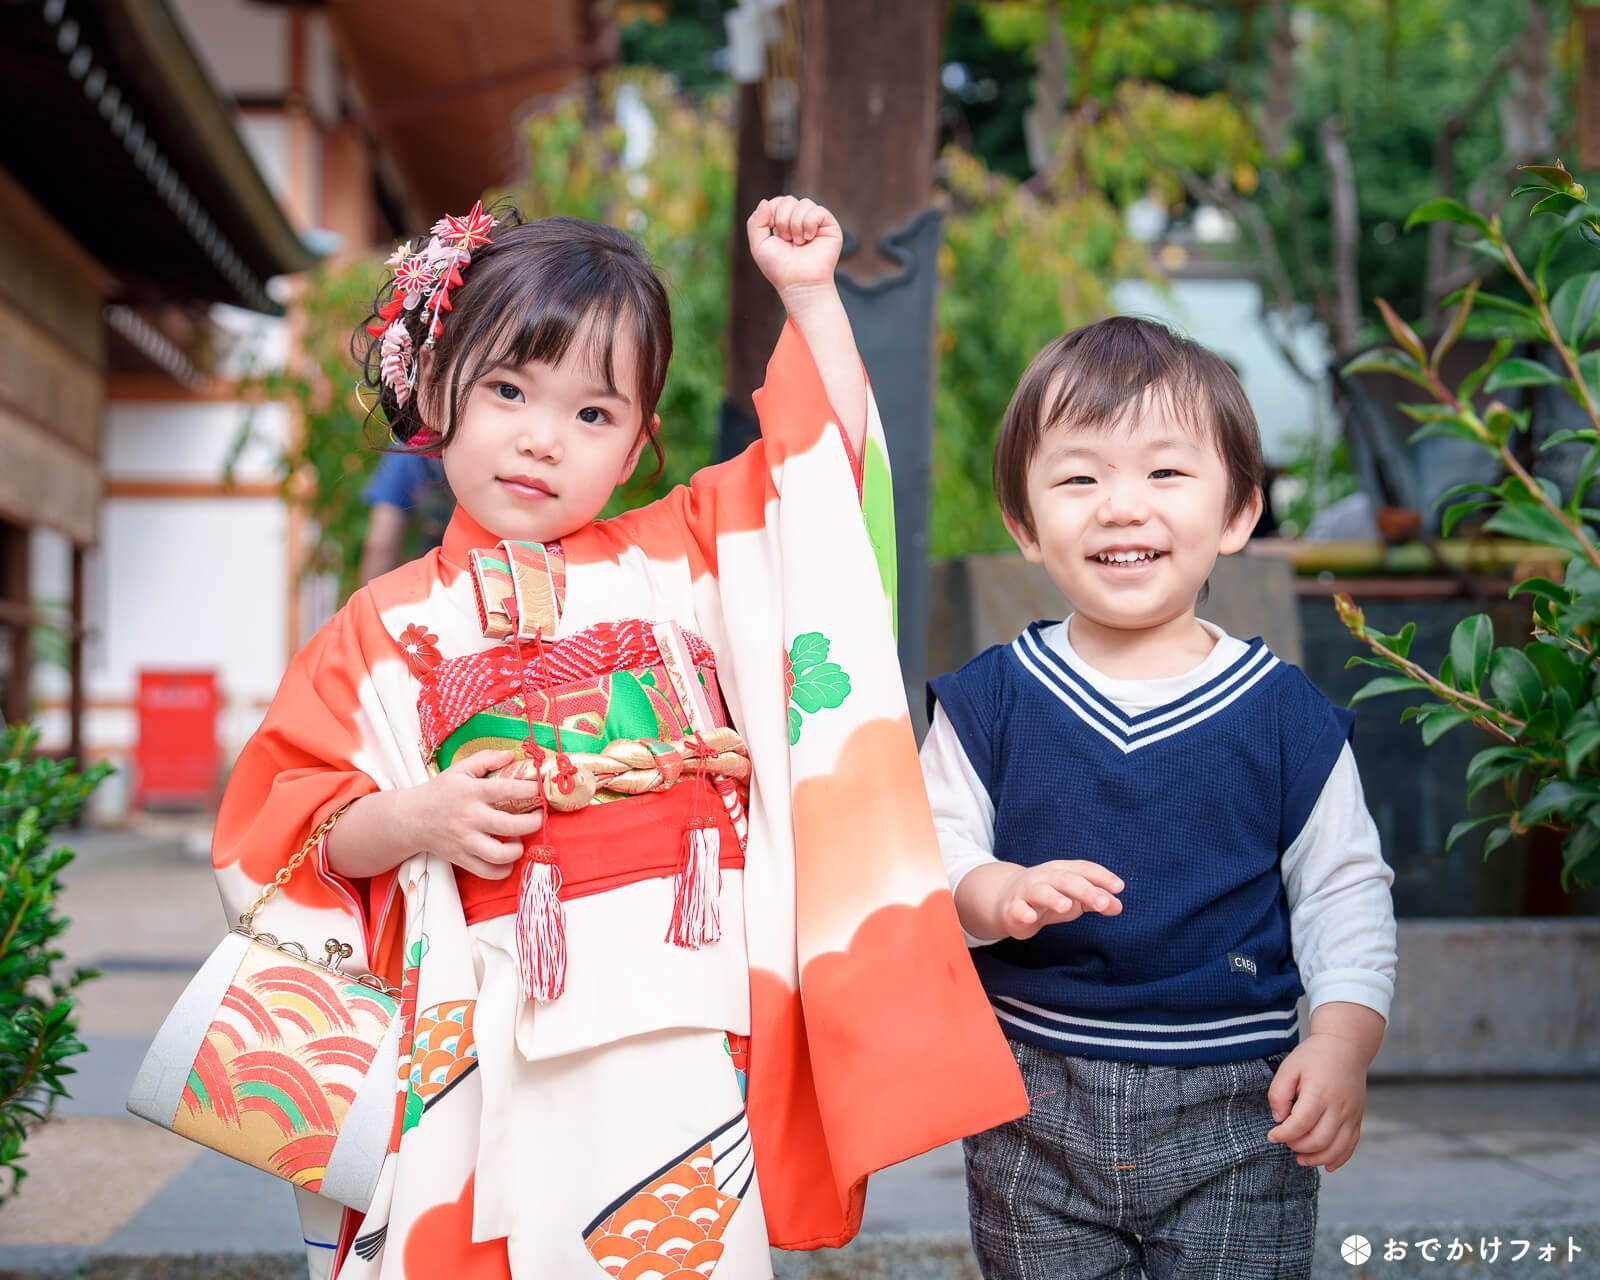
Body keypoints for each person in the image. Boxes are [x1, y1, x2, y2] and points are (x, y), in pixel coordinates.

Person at [208, 197, 1026, 1280]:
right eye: (508, 390)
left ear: (640, 445)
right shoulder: (379, 625)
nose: (542, 437)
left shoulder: (681, 556)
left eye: (592, 415)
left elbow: (819, 483)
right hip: (471, 1023)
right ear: (439, 386)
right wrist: (413, 817)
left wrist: (812, 294)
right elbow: (276, 840)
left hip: (675, 1015)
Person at [921, 316, 1396, 1280]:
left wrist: (1343, 1042)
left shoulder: (1282, 716)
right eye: (1080, 478)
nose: (1120, 508)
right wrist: (995, 891)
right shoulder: (989, 702)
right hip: (1030, 1104)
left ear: (1236, 514)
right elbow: (932, 849)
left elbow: (1345, 890)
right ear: (1024, 521)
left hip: (1237, 1118)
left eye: (1165, 474)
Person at [357, 449, 454, 583]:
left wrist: (371, 601)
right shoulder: (487, 439)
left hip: (426, 586)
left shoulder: (408, 442)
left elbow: (381, 544)